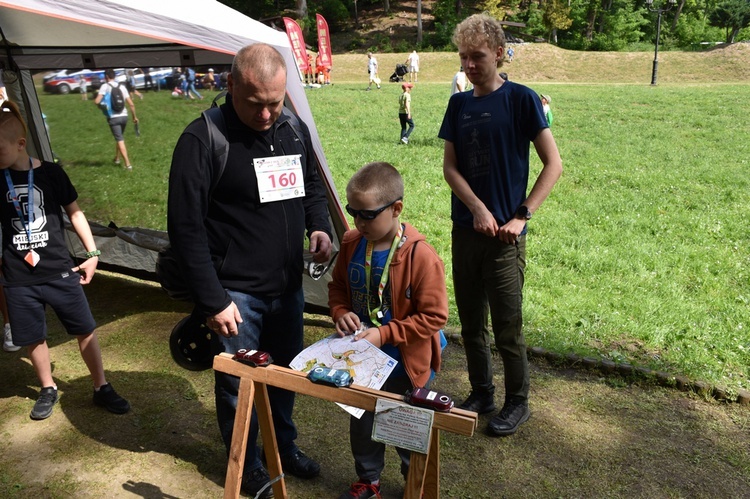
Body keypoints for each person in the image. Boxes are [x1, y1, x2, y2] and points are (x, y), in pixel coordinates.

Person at [167, 43, 332, 498]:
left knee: (285, 377)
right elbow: (184, 229)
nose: (265, 115)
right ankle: (249, 462)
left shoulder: (291, 127)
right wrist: (212, 299)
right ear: (231, 85)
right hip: (235, 296)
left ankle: (283, 447)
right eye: (255, 103)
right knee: (239, 388)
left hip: (286, 288)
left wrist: (319, 225)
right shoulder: (203, 139)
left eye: (275, 103)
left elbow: (311, 184)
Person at [438, 13, 562, 437]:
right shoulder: (459, 104)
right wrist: (475, 208)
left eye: (477, 56)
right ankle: (482, 393)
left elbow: (553, 165)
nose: (469, 65)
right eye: (463, 57)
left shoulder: (522, 100)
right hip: (466, 231)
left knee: (508, 325)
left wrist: (520, 216)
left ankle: (517, 402)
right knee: (471, 321)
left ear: (498, 53)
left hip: (507, 237)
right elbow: (450, 168)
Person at [0, 101, 131, 419]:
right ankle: (47, 388)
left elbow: (75, 213)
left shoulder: (51, 174)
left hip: (59, 270)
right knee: (32, 337)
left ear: (20, 144)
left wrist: (93, 253)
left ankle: (101, 386)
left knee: (85, 329)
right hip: (18, 278)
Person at [329, 161, 448, 499]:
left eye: (367, 214)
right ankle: (369, 481)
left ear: (396, 209)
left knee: (406, 427)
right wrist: (339, 312)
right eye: (353, 212)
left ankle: (417, 484)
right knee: (363, 423)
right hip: (363, 363)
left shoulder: (421, 257)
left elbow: (435, 316)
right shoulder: (352, 243)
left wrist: (384, 334)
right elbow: (337, 287)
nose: (358, 222)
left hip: (406, 365)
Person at [94, 69, 138, 170]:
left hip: (113, 118)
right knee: (119, 138)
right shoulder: (122, 87)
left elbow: (97, 101)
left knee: (120, 139)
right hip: (124, 116)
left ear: (106, 77)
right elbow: (131, 104)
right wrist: (134, 117)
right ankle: (117, 158)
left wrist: (102, 108)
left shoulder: (105, 86)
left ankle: (128, 165)